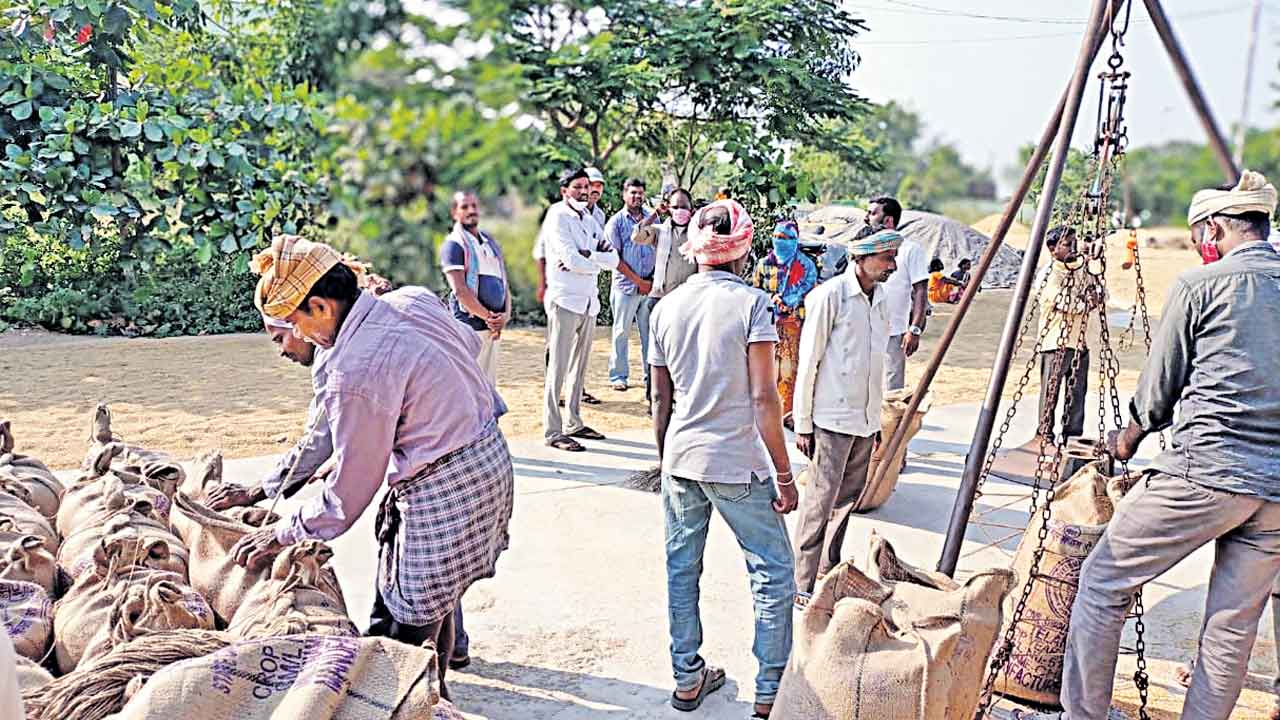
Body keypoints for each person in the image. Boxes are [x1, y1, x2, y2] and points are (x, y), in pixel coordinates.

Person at [1016, 170, 1280, 720]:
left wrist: (1125, 439)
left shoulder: (1200, 286)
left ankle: (1082, 714)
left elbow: (1158, 395)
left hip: (1206, 470)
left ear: (1213, 230)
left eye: (1196, 238)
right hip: (1275, 493)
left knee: (1103, 582)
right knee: (1232, 627)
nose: (1196, 248)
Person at [233, 235, 514, 700]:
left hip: (444, 488)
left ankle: (419, 703)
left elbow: (348, 496)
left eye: (296, 326)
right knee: (423, 601)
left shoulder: (356, 368)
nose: (298, 339)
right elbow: (464, 342)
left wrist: (285, 531)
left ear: (322, 306)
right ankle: (435, 691)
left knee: (406, 634)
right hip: (487, 460)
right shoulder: (411, 300)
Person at [650, 199, 798, 719]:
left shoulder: (664, 308)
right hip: (736, 461)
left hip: (682, 460)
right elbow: (764, 397)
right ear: (742, 249)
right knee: (773, 570)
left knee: (680, 568)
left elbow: (660, 401)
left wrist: (666, 459)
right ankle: (769, 690)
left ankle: (687, 680)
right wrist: (785, 474)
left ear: (694, 249)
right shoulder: (752, 304)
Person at [791, 229, 900, 606]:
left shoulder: (881, 299)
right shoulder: (829, 297)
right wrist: (803, 423)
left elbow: (876, 364)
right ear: (862, 257)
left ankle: (827, 568)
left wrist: (877, 419)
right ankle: (801, 583)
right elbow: (809, 362)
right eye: (887, 258)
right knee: (820, 502)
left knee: (847, 502)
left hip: (864, 421)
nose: (893, 266)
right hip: (831, 419)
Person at [540, 167, 618, 452]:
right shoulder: (557, 215)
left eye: (586, 186)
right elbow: (570, 260)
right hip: (564, 300)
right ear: (564, 191)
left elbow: (614, 257)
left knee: (579, 367)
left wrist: (591, 257)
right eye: (578, 187)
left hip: (589, 301)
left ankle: (574, 421)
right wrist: (591, 261)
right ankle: (552, 430)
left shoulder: (592, 218)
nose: (584, 191)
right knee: (558, 368)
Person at [1036, 226, 1104, 444]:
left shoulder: (1082, 269)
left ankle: (1071, 436)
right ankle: (1045, 435)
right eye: (1067, 244)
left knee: (1076, 394)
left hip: (1080, 343)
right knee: (1050, 393)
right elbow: (1068, 304)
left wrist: (1094, 294)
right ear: (1052, 249)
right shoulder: (1049, 274)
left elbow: (1102, 293)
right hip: (1055, 342)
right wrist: (1089, 301)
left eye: (1075, 242)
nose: (1073, 247)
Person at [633, 188, 698, 403]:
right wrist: (654, 213)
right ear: (668, 209)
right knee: (656, 351)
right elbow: (637, 235)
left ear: (692, 209)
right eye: (675, 206)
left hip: (688, 301)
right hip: (660, 298)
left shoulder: (698, 234)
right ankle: (655, 398)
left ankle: (681, 397)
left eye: (684, 207)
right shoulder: (660, 231)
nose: (680, 211)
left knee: (684, 351)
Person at [751, 219, 818, 426]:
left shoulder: (805, 265)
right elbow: (756, 291)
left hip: (794, 325)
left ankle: (786, 415)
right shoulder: (764, 264)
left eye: (786, 238)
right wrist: (769, 300)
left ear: (795, 240)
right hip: (768, 325)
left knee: (790, 372)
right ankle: (767, 415)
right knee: (767, 371)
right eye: (777, 237)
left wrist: (788, 301)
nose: (780, 242)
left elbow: (808, 288)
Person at [441, 190, 510, 383]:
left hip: (492, 327)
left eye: (474, 206)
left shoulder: (489, 243)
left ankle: (489, 415)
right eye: (464, 207)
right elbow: (460, 291)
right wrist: (489, 318)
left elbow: (504, 284)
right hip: (470, 326)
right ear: (455, 212)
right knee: (470, 385)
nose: (471, 210)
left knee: (488, 383)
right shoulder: (454, 245)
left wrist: (504, 317)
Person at [867, 197, 928, 391]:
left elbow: (920, 291)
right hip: (863, 326)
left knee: (892, 389)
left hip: (894, 331)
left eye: (873, 213)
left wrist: (915, 329)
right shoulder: (865, 247)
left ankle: (890, 423)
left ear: (889, 220)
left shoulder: (911, 250)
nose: (867, 217)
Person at [605, 177, 656, 392]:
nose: (637, 196)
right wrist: (638, 282)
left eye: (640, 193)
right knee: (621, 332)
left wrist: (651, 282)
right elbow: (614, 259)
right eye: (632, 192)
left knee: (649, 334)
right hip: (626, 287)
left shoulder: (653, 219)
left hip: (650, 287)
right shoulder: (615, 222)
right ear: (624, 194)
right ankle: (618, 375)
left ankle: (649, 377)